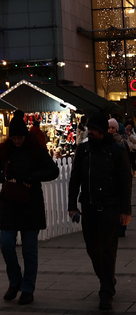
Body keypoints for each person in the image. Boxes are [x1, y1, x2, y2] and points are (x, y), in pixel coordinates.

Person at [0, 110, 59, 305]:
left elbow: (53, 170)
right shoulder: (5, 150)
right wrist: (4, 178)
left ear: (25, 136)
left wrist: (32, 177)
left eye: (20, 138)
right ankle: (15, 280)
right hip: (10, 203)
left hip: (30, 203)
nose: (17, 141)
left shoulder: (36, 149)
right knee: (7, 244)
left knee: (29, 249)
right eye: (15, 138)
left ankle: (28, 287)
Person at [68, 112, 132, 310]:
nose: (91, 132)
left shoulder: (116, 149)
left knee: (107, 249)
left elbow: (125, 181)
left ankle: (106, 292)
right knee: (92, 247)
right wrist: (72, 205)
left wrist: (125, 210)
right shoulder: (84, 150)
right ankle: (107, 279)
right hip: (88, 205)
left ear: (102, 131)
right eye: (89, 128)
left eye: (94, 129)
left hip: (109, 206)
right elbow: (75, 179)